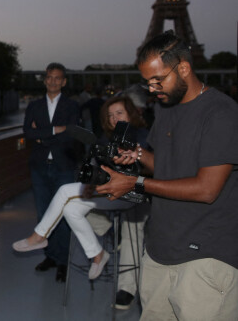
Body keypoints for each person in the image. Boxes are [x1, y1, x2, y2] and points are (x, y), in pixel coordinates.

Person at [99, 31, 238, 320]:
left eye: (157, 80)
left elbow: (206, 189)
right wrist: (138, 156)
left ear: (184, 68)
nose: (151, 89)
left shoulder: (221, 113)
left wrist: (136, 183)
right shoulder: (165, 108)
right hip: (160, 248)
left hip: (207, 254)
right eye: (146, 82)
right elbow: (167, 164)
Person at [13, 96, 149, 282]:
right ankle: (98, 254)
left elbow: (139, 159)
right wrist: (91, 181)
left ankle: (39, 237)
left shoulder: (140, 134)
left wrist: (127, 154)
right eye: (110, 115)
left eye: (119, 113)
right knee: (71, 208)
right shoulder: (106, 137)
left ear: (131, 114)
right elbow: (98, 165)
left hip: (130, 195)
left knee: (64, 191)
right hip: (108, 192)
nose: (114, 118)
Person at [23, 62, 81, 281]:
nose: (53, 81)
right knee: (43, 214)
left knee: (64, 216)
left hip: (63, 166)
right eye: (50, 77)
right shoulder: (34, 106)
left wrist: (42, 135)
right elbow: (27, 133)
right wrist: (57, 130)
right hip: (39, 166)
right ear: (45, 80)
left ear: (63, 82)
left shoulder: (72, 106)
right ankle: (50, 256)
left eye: (58, 78)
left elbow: (73, 133)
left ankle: (63, 261)